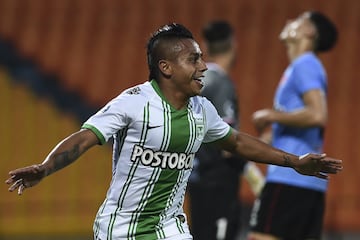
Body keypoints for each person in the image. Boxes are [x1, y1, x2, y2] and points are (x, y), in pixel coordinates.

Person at [5, 23, 341, 240]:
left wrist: (294, 161)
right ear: (166, 67)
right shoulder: (134, 103)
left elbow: (238, 142)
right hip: (122, 230)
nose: (203, 66)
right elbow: (85, 138)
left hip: (171, 228)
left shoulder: (202, 110)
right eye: (194, 59)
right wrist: (45, 167)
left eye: (201, 58)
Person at [247, 11, 339, 240]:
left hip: (289, 179)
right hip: (308, 184)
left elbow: (318, 114)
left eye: (298, 20)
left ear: (309, 32)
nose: (289, 21)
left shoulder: (305, 64)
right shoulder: (303, 67)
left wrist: (271, 115)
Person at [187, 20, 264, 240]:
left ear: (205, 47)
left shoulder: (197, 81)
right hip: (218, 184)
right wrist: (251, 171)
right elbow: (227, 144)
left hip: (199, 180)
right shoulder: (220, 83)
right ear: (233, 44)